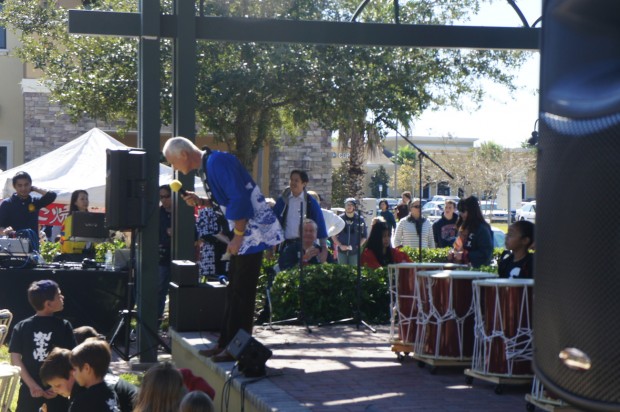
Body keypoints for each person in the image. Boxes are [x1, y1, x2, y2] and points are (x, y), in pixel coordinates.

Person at [163, 137, 283, 362]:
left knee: (243, 293)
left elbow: (240, 198)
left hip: (251, 232)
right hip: (245, 231)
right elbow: (228, 200)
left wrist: (237, 237)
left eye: (173, 162)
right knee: (234, 290)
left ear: (183, 155)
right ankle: (225, 344)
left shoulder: (217, 162)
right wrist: (203, 202)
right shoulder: (209, 164)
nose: (174, 168)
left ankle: (236, 348)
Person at [9, 280, 76, 412]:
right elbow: (73, 357)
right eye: (59, 295)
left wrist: (39, 386)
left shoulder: (21, 326)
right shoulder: (63, 326)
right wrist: (53, 387)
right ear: (48, 304)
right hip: (43, 389)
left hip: (42, 389)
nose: (62, 298)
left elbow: (15, 360)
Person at [40, 346, 137, 412]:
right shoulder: (95, 378)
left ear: (73, 373)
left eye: (58, 385)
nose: (55, 390)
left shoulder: (84, 395)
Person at [273, 170, 329, 263]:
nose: (293, 183)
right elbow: (274, 223)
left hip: (307, 246)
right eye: (291, 180)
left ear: (304, 183)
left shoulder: (311, 203)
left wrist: (324, 248)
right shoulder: (282, 201)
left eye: (296, 180)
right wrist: (271, 248)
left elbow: (320, 224)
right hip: (287, 246)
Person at [0, 171, 56, 250]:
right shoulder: (7, 203)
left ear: (30, 185)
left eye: (26, 185)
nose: (23, 188)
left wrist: (34, 188)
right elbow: (1, 226)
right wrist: (4, 231)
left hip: (33, 247)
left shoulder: (35, 202)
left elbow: (52, 195)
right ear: (14, 186)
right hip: (13, 247)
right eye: (20, 185)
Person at [69, 339, 119, 412]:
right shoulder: (111, 393)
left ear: (87, 368)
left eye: (75, 369)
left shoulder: (82, 402)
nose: (73, 373)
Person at [448, 196, 494, 268]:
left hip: (477, 274)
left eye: (463, 211)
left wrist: (465, 255)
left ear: (472, 211)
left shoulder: (482, 229)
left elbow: (486, 254)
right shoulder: (462, 227)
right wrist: (453, 253)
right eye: (460, 211)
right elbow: (457, 248)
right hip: (461, 272)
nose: (461, 214)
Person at [196, 206, 229, 278]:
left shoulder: (229, 209)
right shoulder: (205, 211)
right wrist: (220, 238)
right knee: (213, 283)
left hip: (228, 252)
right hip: (212, 255)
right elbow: (203, 234)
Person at [332, 198, 367, 266]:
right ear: (345, 206)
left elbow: (364, 236)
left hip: (354, 252)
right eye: (347, 205)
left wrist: (358, 246)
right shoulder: (339, 219)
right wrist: (340, 245)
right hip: (342, 252)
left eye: (351, 205)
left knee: (353, 272)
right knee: (342, 271)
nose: (349, 207)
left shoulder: (360, 219)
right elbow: (333, 235)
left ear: (354, 207)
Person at [60, 190, 93, 255]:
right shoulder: (70, 219)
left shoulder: (92, 218)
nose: (85, 201)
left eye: (86, 199)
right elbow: (64, 238)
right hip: (73, 255)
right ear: (75, 202)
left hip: (90, 253)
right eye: (82, 199)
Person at [158, 184, 172, 327]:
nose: (164, 200)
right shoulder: (157, 214)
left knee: (179, 292)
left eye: (166, 196)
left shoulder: (182, 212)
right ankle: (156, 324)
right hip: (162, 259)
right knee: (160, 292)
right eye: (161, 197)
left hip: (179, 257)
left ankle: (174, 326)